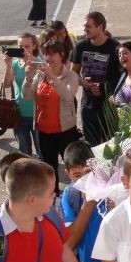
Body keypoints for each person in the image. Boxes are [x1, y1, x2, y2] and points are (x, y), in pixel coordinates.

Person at [22, 40, 81, 193]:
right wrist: (28, 78)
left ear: (62, 55)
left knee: (74, 167)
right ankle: (52, 198)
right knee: (48, 170)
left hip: (65, 131)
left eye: (52, 54)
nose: (48, 58)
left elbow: (68, 96)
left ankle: (78, 196)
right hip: (43, 132)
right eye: (46, 54)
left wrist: (53, 77)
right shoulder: (40, 75)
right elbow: (26, 96)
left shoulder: (71, 76)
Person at [71, 12, 120, 146]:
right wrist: (84, 83)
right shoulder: (81, 46)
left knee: (111, 146)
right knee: (92, 146)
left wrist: (103, 88)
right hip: (88, 106)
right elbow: (74, 73)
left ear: (100, 27)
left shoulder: (115, 48)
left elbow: (122, 77)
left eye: (88, 26)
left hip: (109, 107)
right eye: (84, 26)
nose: (85, 30)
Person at [3, 33, 40, 156]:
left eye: (27, 46)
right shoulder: (15, 64)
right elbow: (7, 84)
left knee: (42, 150)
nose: (23, 50)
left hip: (37, 114)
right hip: (19, 114)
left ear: (34, 46)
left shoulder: (39, 64)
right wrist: (8, 66)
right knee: (24, 151)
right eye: (20, 47)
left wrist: (32, 65)